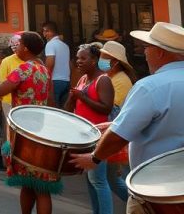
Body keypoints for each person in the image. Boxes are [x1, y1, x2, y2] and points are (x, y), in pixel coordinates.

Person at [70, 22, 184, 214]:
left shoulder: (150, 87)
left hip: (154, 188)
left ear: (161, 53)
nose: (144, 53)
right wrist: (114, 124)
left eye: (147, 48)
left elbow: (119, 135)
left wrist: (94, 158)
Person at [0, 31, 56, 214]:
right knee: (36, 184)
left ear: (25, 48)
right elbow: (50, 99)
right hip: (41, 129)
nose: (16, 48)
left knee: (33, 185)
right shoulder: (43, 69)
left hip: (23, 131)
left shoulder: (24, 69)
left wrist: (0, 81)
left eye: (19, 45)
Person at [67, 44, 114, 214]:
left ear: (94, 61)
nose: (78, 61)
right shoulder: (82, 80)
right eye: (77, 57)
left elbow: (106, 108)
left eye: (83, 58)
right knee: (90, 180)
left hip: (98, 137)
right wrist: (73, 98)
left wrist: (82, 97)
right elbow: (69, 109)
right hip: (82, 137)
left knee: (98, 181)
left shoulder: (103, 80)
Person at [98, 41, 135, 204]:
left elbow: (112, 110)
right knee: (113, 179)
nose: (101, 61)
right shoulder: (110, 78)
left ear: (114, 62)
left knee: (120, 179)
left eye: (104, 58)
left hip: (119, 136)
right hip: (117, 135)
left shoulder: (121, 80)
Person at [0, 32, 23, 122]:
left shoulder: (32, 60)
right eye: (13, 45)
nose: (14, 48)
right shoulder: (7, 61)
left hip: (25, 101)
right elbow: (1, 82)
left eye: (17, 45)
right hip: (9, 100)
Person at [42, 21, 71, 107]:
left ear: (50, 31)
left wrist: (45, 79)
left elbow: (50, 63)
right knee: (63, 110)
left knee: (53, 111)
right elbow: (69, 64)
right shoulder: (65, 46)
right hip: (66, 81)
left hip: (54, 82)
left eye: (45, 31)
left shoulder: (50, 44)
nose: (44, 34)